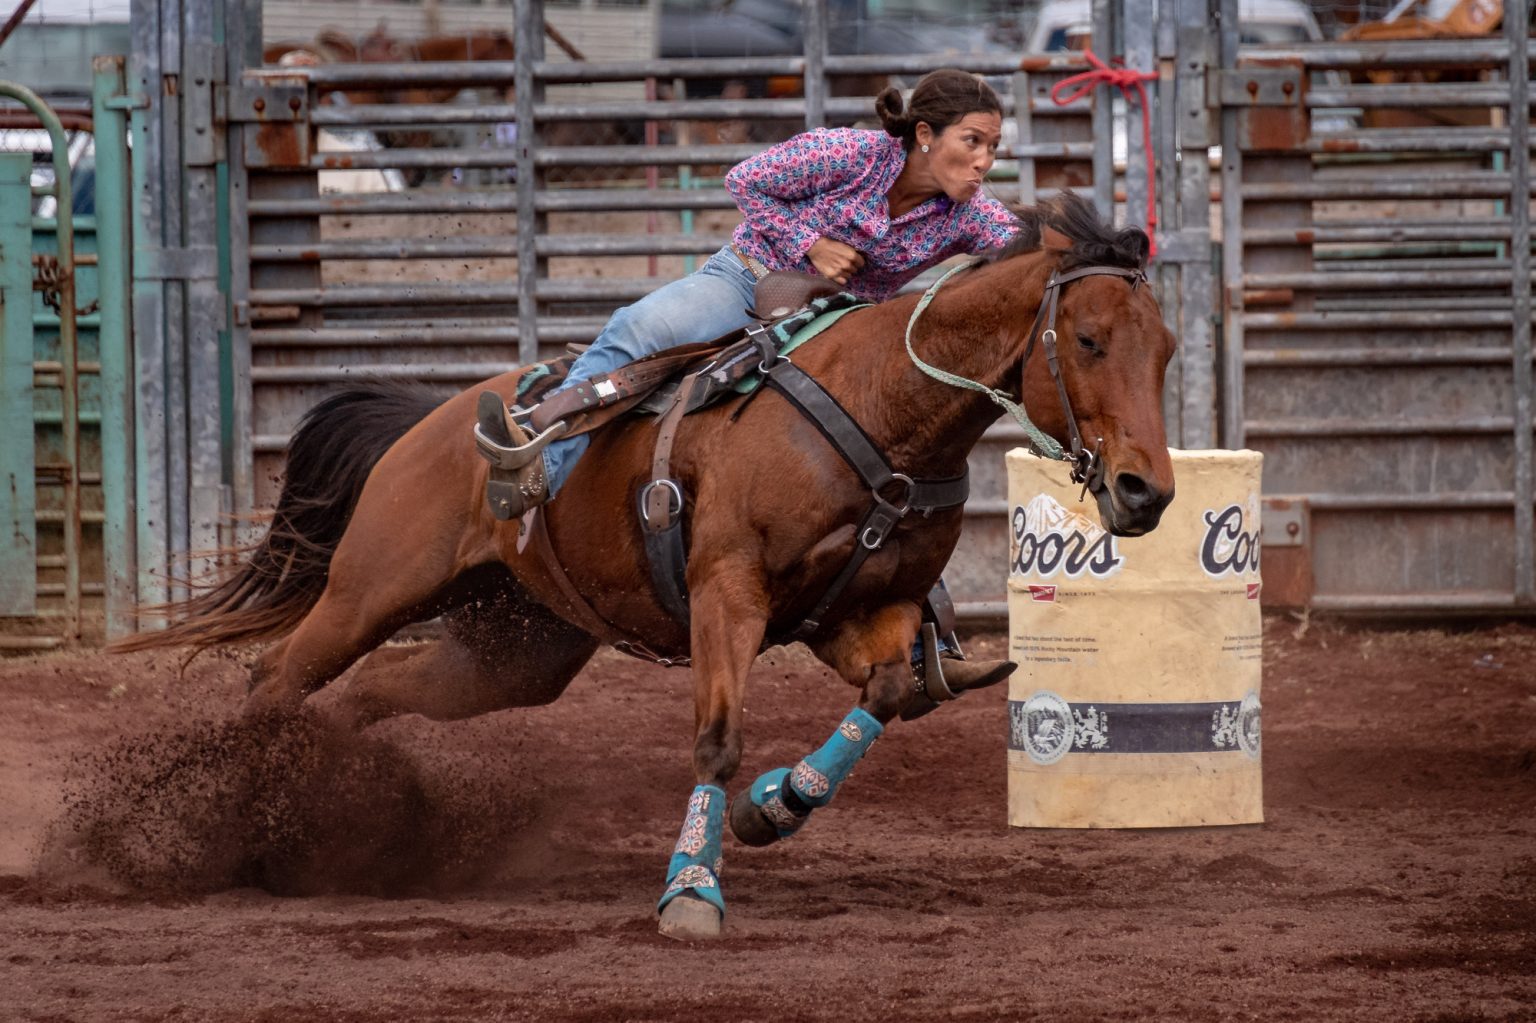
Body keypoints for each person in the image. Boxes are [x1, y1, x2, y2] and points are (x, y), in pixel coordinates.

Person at [477, 68, 1020, 692]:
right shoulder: (852, 152)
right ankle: (537, 453)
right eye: (973, 142)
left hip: (832, 336)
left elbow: (1023, 246)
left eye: (993, 148)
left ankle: (926, 641)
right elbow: (745, 180)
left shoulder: (967, 215)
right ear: (925, 134)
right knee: (640, 330)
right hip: (751, 283)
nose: (985, 162)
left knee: (892, 462)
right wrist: (812, 244)